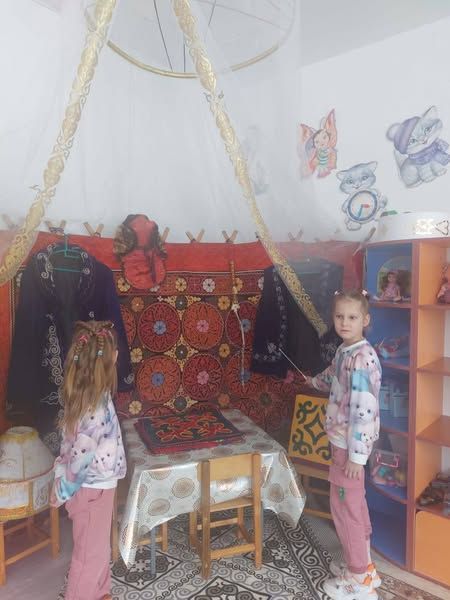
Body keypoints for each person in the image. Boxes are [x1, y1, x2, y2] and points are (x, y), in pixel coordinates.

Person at [305, 290, 382, 600]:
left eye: (352, 317)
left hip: (350, 450)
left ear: (365, 320)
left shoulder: (361, 359)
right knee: (355, 504)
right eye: (339, 316)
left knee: (345, 510)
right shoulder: (346, 350)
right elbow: (332, 377)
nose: (344, 322)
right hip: (343, 445)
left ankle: (359, 578)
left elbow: (364, 410)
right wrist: (313, 382)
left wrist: (356, 457)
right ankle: (365, 567)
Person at [50, 320, 126, 600]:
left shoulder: (86, 397)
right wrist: (61, 491)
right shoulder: (96, 407)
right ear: (112, 358)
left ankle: (101, 593)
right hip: (92, 490)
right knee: (88, 558)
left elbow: (68, 446)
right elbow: (79, 461)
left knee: (97, 550)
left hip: (96, 488)